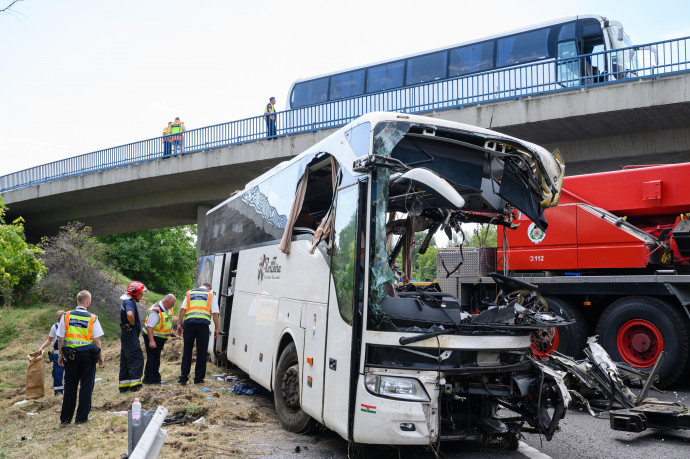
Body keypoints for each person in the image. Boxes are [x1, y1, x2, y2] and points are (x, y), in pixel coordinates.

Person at [56, 291, 104, 424]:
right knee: (86, 386)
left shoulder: (66, 316)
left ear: (77, 301)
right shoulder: (92, 318)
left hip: (70, 356)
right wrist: (100, 355)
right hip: (87, 356)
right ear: (88, 302)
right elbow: (96, 340)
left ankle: (65, 419)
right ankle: (81, 418)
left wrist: (60, 355)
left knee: (70, 386)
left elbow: (61, 339)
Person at [176, 283, 219, 385]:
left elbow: (182, 309)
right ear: (209, 288)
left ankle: (183, 378)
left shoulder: (190, 293)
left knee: (187, 351)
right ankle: (198, 379)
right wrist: (217, 328)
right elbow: (215, 313)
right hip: (203, 327)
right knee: (201, 353)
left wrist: (179, 325)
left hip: (189, 325)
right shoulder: (211, 294)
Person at [119, 281, 147, 393]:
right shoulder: (129, 302)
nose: (142, 295)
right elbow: (130, 314)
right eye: (141, 293)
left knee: (126, 360)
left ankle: (124, 387)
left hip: (126, 335)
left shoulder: (126, 301)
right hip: (130, 335)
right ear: (135, 293)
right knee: (136, 358)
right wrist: (132, 324)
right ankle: (135, 386)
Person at [142, 294, 176, 384]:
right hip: (152, 337)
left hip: (160, 338)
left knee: (154, 358)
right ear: (166, 301)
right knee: (153, 358)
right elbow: (150, 327)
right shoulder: (156, 311)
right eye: (172, 304)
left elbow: (168, 319)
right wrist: (152, 341)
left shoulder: (169, 308)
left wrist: (171, 330)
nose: (173, 306)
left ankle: (148, 378)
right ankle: (153, 379)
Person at [37, 309, 66, 395]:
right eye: (59, 319)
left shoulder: (69, 326)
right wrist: (41, 347)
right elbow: (50, 339)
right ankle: (58, 393)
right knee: (57, 374)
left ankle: (69, 392)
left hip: (68, 353)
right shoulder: (55, 327)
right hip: (57, 355)